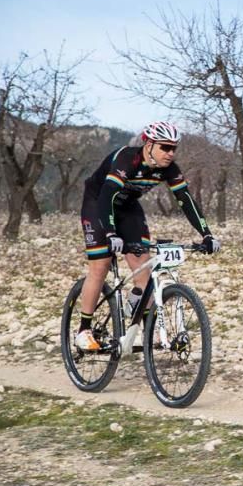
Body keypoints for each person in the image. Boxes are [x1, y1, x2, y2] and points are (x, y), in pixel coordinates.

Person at [75, 121, 220, 351]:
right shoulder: (128, 159)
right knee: (100, 265)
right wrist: (111, 233)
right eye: (165, 147)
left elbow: (185, 200)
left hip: (128, 207)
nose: (170, 153)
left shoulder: (169, 168)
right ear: (149, 144)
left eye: (174, 148)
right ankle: (83, 330)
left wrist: (207, 234)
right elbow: (107, 196)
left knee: (143, 271)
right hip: (99, 203)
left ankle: (141, 325)